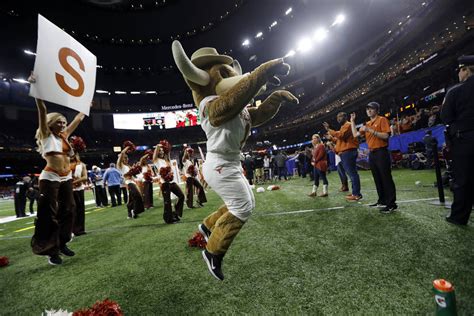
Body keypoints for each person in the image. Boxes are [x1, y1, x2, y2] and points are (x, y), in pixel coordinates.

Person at [172, 41, 298, 280]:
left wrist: (275, 98)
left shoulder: (234, 105)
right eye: (221, 72)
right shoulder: (209, 105)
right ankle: (213, 253)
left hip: (229, 162)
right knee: (243, 206)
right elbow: (231, 103)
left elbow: (256, 115)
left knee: (246, 200)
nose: (228, 76)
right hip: (219, 164)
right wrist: (261, 73)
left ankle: (208, 226)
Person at [28, 74, 86, 265]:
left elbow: (77, 120)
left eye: (63, 122)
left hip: (66, 176)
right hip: (50, 177)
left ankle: (62, 243)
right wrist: (37, 89)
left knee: (69, 209)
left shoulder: (64, 136)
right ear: (50, 123)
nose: (62, 124)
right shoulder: (46, 134)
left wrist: (85, 105)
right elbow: (42, 109)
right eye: (58, 122)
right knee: (49, 213)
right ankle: (50, 251)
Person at [441, 55, 474, 226]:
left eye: (460, 71)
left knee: (463, 180)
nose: (459, 75)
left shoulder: (455, 91)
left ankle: (459, 217)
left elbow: (445, 117)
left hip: (465, 140)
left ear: (465, 70)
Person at [350, 102, 397, 213]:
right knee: (377, 178)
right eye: (367, 109)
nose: (369, 111)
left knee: (386, 178)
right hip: (372, 153)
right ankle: (382, 200)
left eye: (371, 109)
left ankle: (391, 204)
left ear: (377, 110)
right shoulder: (367, 124)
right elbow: (355, 135)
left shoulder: (382, 120)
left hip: (381, 152)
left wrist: (370, 130)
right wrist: (352, 121)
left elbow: (386, 135)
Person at [323, 112, 362, 201]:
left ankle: (356, 194)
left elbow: (341, 135)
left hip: (348, 152)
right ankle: (355, 192)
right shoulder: (343, 126)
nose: (338, 119)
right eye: (337, 117)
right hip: (346, 152)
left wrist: (329, 129)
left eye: (340, 117)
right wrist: (331, 137)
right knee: (351, 174)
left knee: (352, 174)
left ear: (345, 117)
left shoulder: (348, 125)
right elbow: (339, 139)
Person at [153, 140, 183, 223]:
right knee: (167, 202)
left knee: (181, 196)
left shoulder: (166, 160)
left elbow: (168, 154)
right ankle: (168, 219)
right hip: (165, 184)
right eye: (160, 151)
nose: (162, 152)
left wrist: (167, 147)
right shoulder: (156, 161)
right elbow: (154, 155)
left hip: (172, 182)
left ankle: (175, 213)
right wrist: (159, 146)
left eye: (162, 151)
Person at [70, 151, 87, 236]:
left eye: (74, 154)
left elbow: (85, 177)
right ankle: (70, 230)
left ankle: (80, 230)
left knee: (80, 209)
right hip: (68, 190)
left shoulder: (82, 164)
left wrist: (75, 181)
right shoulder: (64, 163)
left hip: (79, 189)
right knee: (71, 210)